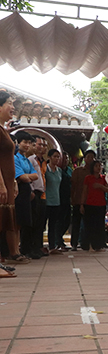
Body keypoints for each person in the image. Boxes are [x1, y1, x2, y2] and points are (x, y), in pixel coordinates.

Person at [0, 93, 29, 269]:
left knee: (7, 220)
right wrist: (1, 183)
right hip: (1, 183)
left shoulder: (4, 130)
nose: (13, 107)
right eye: (9, 103)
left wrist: (13, 182)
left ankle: (7, 257)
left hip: (8, 183)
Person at [13, 131, 37, 262]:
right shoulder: (15, 157)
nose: (27, 145)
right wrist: (27, 178)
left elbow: (35, 176)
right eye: (25, 142)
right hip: (19, 193)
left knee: (25, 223)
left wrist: (27, 178)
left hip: (27, 193)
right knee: (17, 223)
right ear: (18, 143)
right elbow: (21, 177)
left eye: (29, 143)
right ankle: (15, 250)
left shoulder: (26, 160)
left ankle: (21, 250)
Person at [80, 161, 108, 251]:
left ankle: (98, 245)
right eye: (96, 166)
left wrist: (100, 186)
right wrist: (82, 204)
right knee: (89, 225)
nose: (98, 168)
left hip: (101, 204)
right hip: (90, 204)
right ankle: (89, 245)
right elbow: (84, 192)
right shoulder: (88, 178)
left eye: (100, 166)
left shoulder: (104, 178)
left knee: (100, 225)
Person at [71, 150, 96, 251]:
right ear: (84, 159)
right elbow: (73, 186)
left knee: (89, 223)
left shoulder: (95, 172)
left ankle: (87, 243)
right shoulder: (78, 171)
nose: (90, 159)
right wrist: (72, 198)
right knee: (76, 223)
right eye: (88, 157)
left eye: (92, 157)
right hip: (78, 200)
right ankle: (74, 244)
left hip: (91, 201)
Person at [44, 149, 63, 253]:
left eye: (58, 157)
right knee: (42, 224)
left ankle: (52, 246)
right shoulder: (45, 169)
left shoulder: (59, 171)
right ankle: (39, 246)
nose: (57, 159)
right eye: (55, 156)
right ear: (49, 157)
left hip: (56, 201)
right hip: (46, 200)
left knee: (53, 225)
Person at [56, 151, 72, 251]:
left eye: (67, 158)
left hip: (68, 198)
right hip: (59, 198)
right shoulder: (57, 170)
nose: (65, 160)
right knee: (59, 221)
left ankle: (59, 239)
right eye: (64, 158)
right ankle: (57, 241)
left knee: (67, 221)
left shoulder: (70, 170)